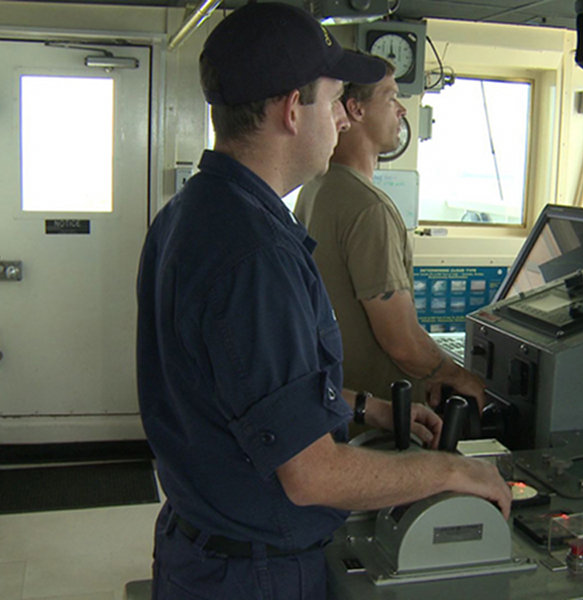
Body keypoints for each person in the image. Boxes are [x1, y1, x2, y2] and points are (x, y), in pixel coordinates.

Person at [136, 3, 511, 599]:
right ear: (292, 109)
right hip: (253, 575)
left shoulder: (193, 212)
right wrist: (450, 469)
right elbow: (311, 475)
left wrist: (367, 409)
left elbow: (248, 392)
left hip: (202, 543)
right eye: (335, 99)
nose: (342, 116)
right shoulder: (254, 254)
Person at [295, 62, 486, 413]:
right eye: (392, 98)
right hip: (383, 418)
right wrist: (458, 375)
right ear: (356, 109)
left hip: (338, 401)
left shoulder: (317, 187)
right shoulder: (368, 208)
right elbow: (402, 344)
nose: (401, 110)